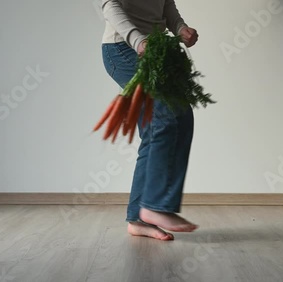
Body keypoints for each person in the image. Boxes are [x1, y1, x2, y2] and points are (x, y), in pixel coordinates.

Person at [101, 0, 199, 241]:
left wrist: (180, 28)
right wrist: (137, 40)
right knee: (166, 117)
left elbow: (166, 7)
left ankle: (138, 218)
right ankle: (155, 207)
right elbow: (109, 5)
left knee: (178, 119)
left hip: (153, 46)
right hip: (123, 49)